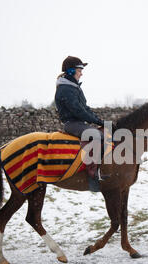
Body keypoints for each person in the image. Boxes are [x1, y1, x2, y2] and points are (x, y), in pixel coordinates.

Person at [54, 56, 110, 191]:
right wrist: (96, 121)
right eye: (80, 70)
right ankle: (92, 173)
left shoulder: (74, 87)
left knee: (104, 133)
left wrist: (100, 120)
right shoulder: (66, 89)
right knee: (97, 136)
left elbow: (85, 108)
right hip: (72, 123)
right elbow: (79, 111)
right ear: (72, 71)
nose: (81, 73)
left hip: (78, 122)